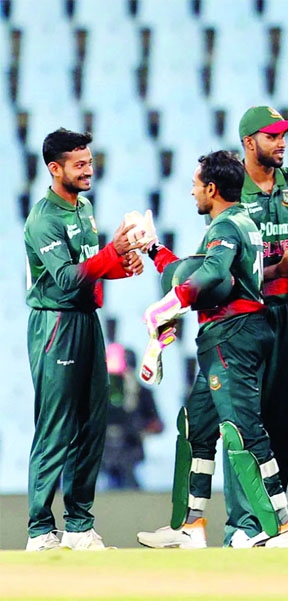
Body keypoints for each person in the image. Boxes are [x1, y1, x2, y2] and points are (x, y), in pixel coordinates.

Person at [136, 107, 288, 548]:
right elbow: (196, 268)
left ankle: (280, 527)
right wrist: (154, 249)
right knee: (197, 425)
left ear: (211, 188)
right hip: (226, 335)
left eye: (193, 187)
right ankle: (189, 525)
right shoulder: (234, 220)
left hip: (235, 336)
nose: (191, 194)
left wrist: (167, 306)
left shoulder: (229, 225)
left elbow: (209, 275)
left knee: (245, 430)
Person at [24, 128, 144, 551]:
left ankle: (78, 527)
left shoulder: (84, 208)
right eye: (79, 164)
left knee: (92, 425)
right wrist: (113, 252)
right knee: (56, 426)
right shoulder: (44, 218)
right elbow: (66, 277)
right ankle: (40, 531)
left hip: (86, 320)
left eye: (90, 162)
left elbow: (89, 268)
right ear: (55, 169)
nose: (89, 170)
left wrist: (121, 266)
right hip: (54, 324)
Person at [101, 344, 164, 489]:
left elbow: (156, 423)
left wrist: (144, 427)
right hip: (104, 449)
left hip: (130, 447)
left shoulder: (143, 393)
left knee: (129, 482)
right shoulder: (100, 393)